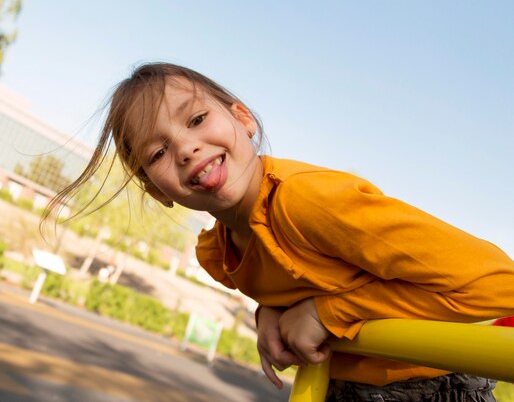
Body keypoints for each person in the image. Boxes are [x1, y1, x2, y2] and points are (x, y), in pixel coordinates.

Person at [47, 62, 514, 401]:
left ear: (243, 119)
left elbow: (498, 284)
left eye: (195, 119)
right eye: (157, 153)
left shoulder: (306, 202)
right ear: (156, 191)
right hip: (341, 388)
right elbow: (299, 275)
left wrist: (330, 313)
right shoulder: (219, 252)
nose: (187, 147)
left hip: (430, 389)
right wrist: (268, 311)